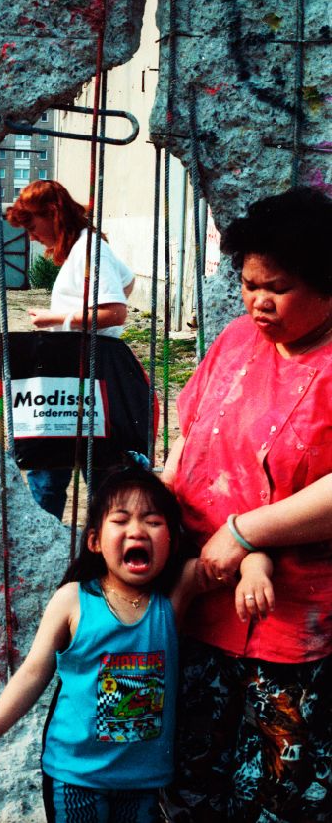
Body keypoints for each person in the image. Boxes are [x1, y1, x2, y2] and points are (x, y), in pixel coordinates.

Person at [0, 467, 271, 823]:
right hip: (75, 777)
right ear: (95, 541)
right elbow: (32, 672)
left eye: (153, 521)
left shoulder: (173, 598)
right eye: (121, 520)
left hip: (144, 783)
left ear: (172, 541)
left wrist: (256, 571)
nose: (137, 530)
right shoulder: (72, 601)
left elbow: (235, 555)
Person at [160, 186, 332, 822]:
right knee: (188, 777)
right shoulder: (236, 339)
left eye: (278, 287)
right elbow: (189, 438)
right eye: (248, 282)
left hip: (288, 620)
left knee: (283, 791)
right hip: (196, 597)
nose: (258, 301)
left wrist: (246, 532)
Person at [5, 180, 136, 518]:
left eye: (32, 225)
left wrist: (59, 318)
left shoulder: (89, 249)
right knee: (69, 463)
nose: (31, 237)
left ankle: (56, 549)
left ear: (53, 214)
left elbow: (115, 311)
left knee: (56, 468)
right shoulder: (86, 247)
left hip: (83, 369)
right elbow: (126, 281)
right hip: (77, 370)